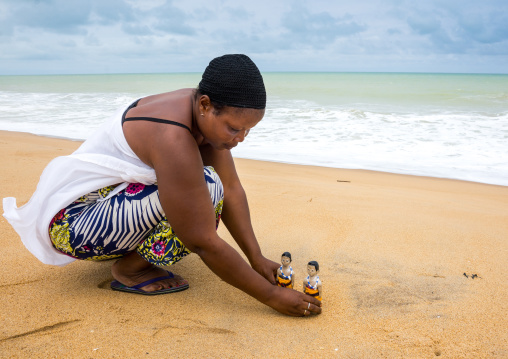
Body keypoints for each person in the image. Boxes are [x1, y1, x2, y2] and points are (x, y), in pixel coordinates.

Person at [3, 54, 321, 317]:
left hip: (108, 210)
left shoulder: (201, 114)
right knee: (206, 190)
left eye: (248, 131)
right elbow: (201, 241)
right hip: (72, 225)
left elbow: (233, 188)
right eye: (235, 129)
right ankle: (130, 271)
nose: (240, 139)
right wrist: (269, 296)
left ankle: (132, 258)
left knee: (213, 188)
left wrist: (256, 258)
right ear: (206, 105)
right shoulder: (172, 135)